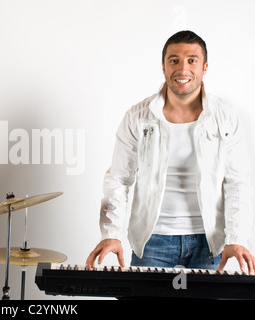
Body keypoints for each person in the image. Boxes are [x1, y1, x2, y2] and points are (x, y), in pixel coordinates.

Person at [86, 31, 255, 274]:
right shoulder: (138, 116)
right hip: (152, 241)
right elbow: (119, 178)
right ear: (163, 67)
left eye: (192, 60)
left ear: (205, 67)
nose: (183, 68)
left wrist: (236, 238)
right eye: (174, 60)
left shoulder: (226, 118)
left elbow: (238, 182)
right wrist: (111, 234)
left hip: (210, 242)